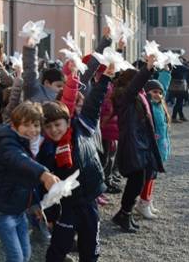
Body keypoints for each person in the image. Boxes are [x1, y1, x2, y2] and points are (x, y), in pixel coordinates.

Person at [38, 62, 114, 262]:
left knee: (90, 246)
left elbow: (95, 100)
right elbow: (45, 186)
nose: (54, 129)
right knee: (59, 247)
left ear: (67, 120)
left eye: (57, 124)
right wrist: (50, 216)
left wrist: (106, 77)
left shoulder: (83, 127)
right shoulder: (46, 149)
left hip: (89, 199)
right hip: (66, 205)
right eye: (48, 126)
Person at [0, 101, 60, 262]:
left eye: (36, 125)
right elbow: (19, 160)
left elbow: (25, 177)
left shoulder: (27, 142)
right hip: (2, 211)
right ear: (14, 124)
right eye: (26, 125)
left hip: (18, 209)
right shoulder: (7, 143)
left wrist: (35, 204)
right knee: (16, 257)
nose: (32, 130)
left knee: (25, 254)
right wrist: (44, 174)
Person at [111, 55, 165, 233]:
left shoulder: (137, 96)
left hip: (139, 143)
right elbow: (135, 86)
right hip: (132, 143)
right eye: (137, 81)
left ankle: (124, 214)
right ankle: (124, 214)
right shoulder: (125, 97)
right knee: (136, 181)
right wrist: (147, 68)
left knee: (138, 181)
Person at [135, 69, 172, 220]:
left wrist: (166, 72)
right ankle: (142, 203)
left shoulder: (160, 106)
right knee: (149, 177)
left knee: (153, 177)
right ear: (147, 92)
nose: (157, 95)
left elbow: (163, 85)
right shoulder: (147, 107)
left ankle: (147, 200)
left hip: (160, 148)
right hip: (151, 149)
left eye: (160, 92)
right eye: (153, 92)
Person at [23, 36, 65, 103]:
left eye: (63, 87)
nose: (62, 89)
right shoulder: (35, 92)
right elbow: (30, 74)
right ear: (47, 83)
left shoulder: (63, 98)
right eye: (59, 86)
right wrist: (30, 50)